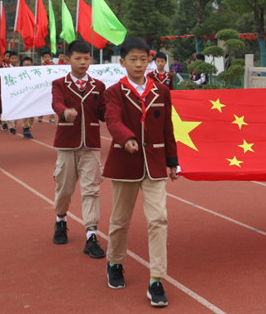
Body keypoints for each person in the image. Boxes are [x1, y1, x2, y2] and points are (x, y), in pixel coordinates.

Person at [102, 37, 178, 307]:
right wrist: (126, 138)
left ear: (150, 60)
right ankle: (115, 262)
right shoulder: (114, 92)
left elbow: (168, 128)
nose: (138, 64)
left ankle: (156, 279)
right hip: (125, 163)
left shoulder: (161, 91)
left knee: (158, 219)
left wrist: (172, 161)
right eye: (132, 59)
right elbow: (113, 119)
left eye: (142, 59)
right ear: (122, 62)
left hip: (155, 164)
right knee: (121, 219)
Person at [50, 40, 107, 259]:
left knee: (91, 189)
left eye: (87, 58)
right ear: (67, 60)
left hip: (91, 144)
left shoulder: (98, 86)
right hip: (67, 142)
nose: (83, 62)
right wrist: (65, 112)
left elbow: (104, 113)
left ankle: (91, 234)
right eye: (78, 58)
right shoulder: (59, 84)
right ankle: (61, 219)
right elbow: (56, 103)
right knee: (64, 188)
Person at [20, 56, 36, 139]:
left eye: (29, 65)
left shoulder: (35, 74)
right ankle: (25, 128)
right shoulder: (18, 74)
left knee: (32, 114)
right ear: (22, 65)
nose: (27, 66)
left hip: (33, 96)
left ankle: (29, 129)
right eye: (25, 65)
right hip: (23, 97)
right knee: (26, 112)